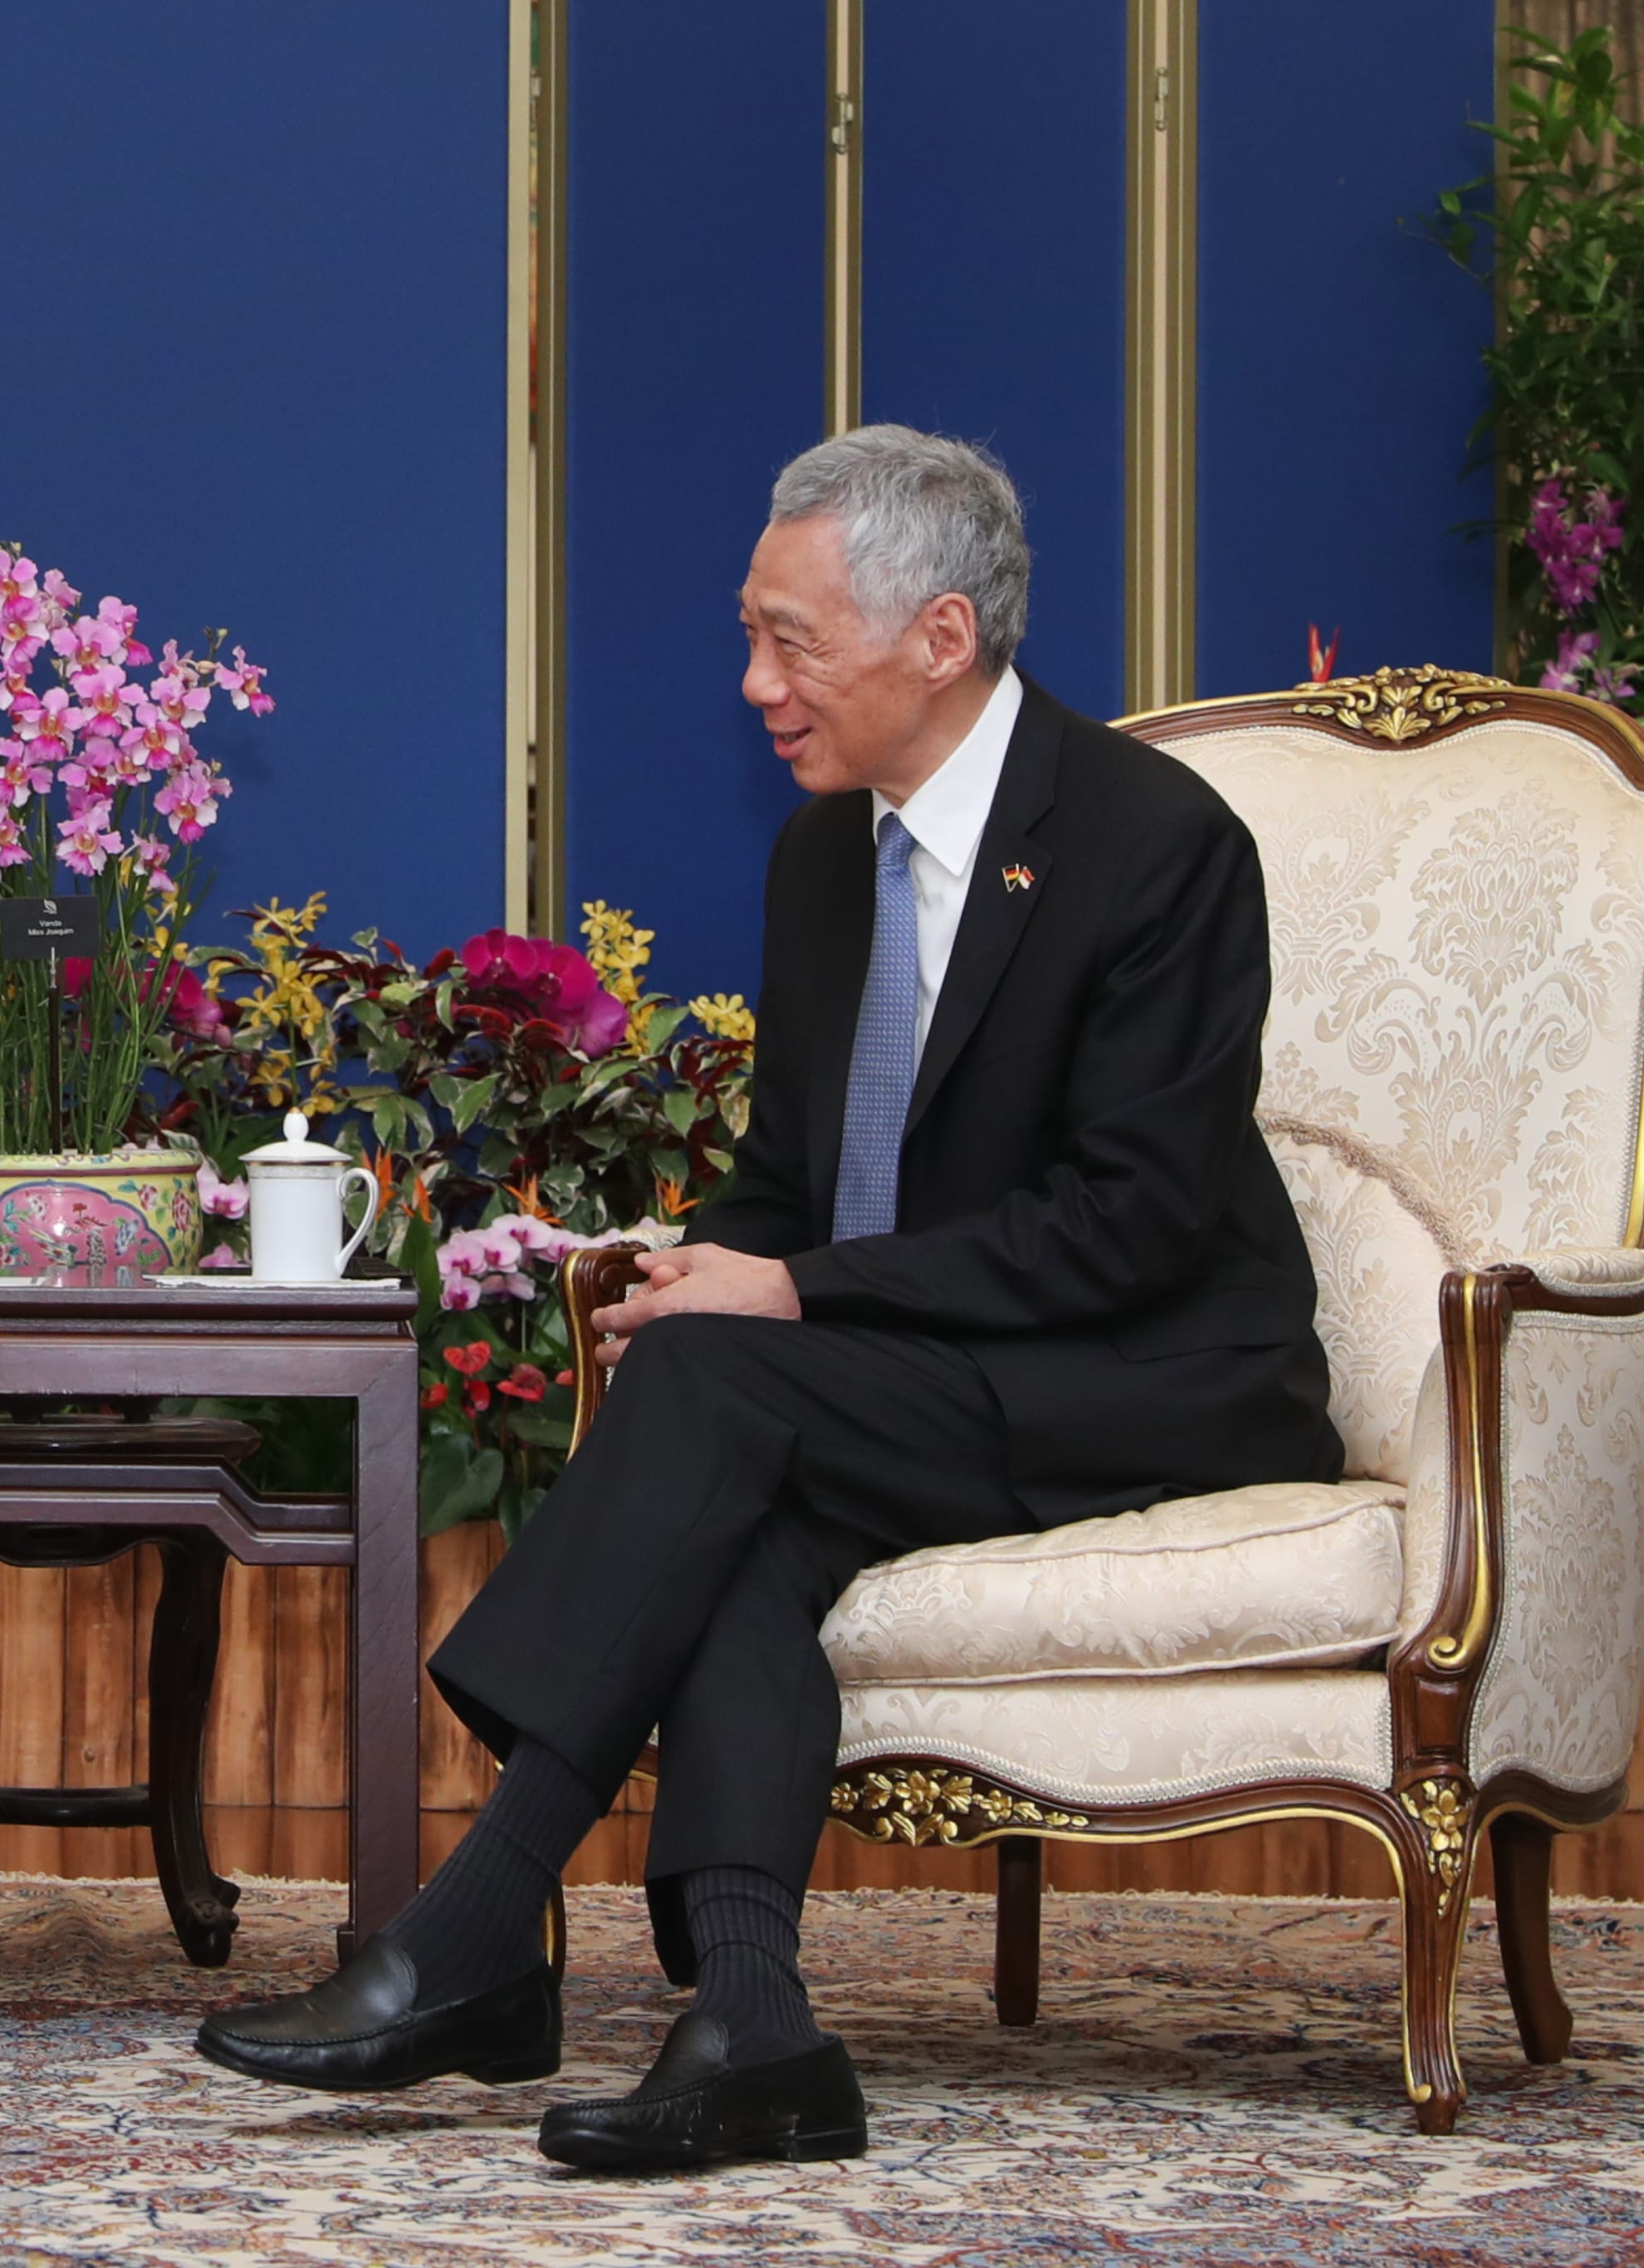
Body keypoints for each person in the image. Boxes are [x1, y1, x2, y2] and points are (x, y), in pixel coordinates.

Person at [195, 426, 1336, 2171]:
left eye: (788, 640)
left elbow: (1137, 1224)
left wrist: (786, 1291)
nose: (752, 683)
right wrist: (705, 1266)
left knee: (730, 1392)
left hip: (1150, 1370)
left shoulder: (1153, 847)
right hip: (914, 1372)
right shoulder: (827, 860)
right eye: (751, 633)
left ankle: (480, 1927)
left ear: (940, 638)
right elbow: (794, 1181)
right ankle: (752, 2028)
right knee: (738, 1487)